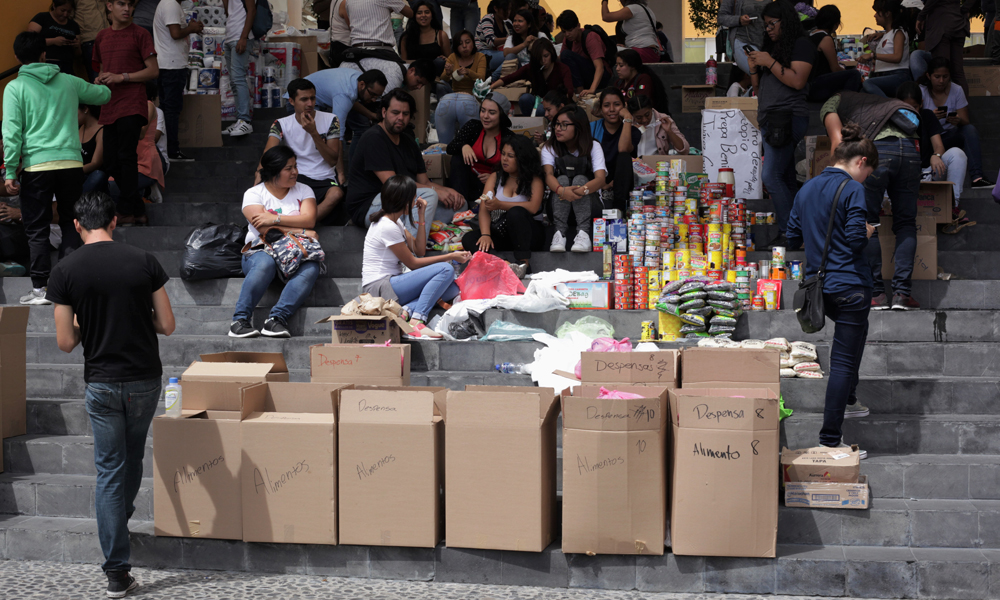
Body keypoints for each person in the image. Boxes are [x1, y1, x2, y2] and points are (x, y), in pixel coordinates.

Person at [48, 190, 175, 598]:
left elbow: (65, 341)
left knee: (108, 469)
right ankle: (118, 523)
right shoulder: (144, 262)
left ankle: (116, 571)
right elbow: (167, 325)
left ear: (76, 225)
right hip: (143, 379)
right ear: (115, 221)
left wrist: (92, 325)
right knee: (133, 458)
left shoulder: (65, 270)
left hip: (102, 382)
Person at [786, 124, 877, 459]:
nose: (866, 178)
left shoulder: (806, 189)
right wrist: (866, 232)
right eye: (868, 172)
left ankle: (851, 399)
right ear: (860, 161)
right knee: (841, 362)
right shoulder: (853, 190)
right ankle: (829, 439)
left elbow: (792, 235)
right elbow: (855, 239)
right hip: (851, 285)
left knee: (853, 345)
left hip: (820, 287)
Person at [4, 31, 111, 306]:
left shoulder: (15, 88)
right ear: (44, 53)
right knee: (69, 223)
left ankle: (40, 289)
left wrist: (9, 171)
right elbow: (104, 94)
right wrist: (101, 80)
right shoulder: (69, 81)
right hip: (71, 164)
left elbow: (12, 133)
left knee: (36, 226)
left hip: (36, 166)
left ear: (18, 58)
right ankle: (67, 285)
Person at [822, 90, 921, 310]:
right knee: (906, 223)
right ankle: (902, 294)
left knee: (868, 220)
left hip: (879, 151)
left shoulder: (832, 102)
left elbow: (837, 144)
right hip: (911, 150)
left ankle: (876, 293)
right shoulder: (877, 101)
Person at [362, 175, 471, 340]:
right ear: (403, 200)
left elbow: (419, 250)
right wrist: (450, 256)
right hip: (380, 287)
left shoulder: (395, 222)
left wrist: (421, 216)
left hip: (393, 284)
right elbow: (413, 263)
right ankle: (417, 320)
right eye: (413, 197)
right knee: (445, 269)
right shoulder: (386, 226)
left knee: (452, 288)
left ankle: (406, 310)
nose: (415, 201)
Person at [347, 90, 465, 237]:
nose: (400, 118)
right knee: (430, 196)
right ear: (384, 112)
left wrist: (448, 191)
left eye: (405, 114)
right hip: (371, 205)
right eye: (395, 112)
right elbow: (393, 184)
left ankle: (409, 231)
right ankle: (412, 249)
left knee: (459, 204)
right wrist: (436, 191)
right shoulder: (373, 138)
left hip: (404, 203)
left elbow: (425, 182)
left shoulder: (408, 141)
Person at [230, 146, 319, 339]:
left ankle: (276, 320)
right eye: (288, 168)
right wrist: (303, 231)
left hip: (295, 251)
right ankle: (239, 321)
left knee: (312, 267)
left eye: (295, 166)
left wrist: (275, 219)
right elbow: (265, 231)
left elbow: (309, 219)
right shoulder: (254, 194)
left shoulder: (304, 190)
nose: (295, 172)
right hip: (260, 250)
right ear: (273, 171)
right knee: (265, 263)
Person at [748, 0, 814, 238]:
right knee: (784, 176)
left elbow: (798, 81)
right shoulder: (773, 49)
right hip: (769, 118)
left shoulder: (802, 44)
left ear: (786, 21)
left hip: (787, 116)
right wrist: (755, 67)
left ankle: (791, 231)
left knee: (770, 175)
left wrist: (770, 62)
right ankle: (797, 229)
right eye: (766, 25)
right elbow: (757, 88)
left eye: (772, 24)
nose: (769, 29)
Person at [93, 0, 160, 226]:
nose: (127, 9)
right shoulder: (101, 37)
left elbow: (153, 70)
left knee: (126, 156)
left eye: (131, 4)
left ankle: (125, 209)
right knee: (110, 162)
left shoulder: (140, 34)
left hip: (132, 102)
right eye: (121, 3)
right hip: (109, 103)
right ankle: (138, 208)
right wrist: (101, 78)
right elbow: (102, 68)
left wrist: (122, 77)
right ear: (109, 6)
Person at [261, 78, 344, 224]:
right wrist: (258, 173)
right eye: (304, 99)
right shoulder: (281, 124)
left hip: (323, 178)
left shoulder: (331, 120)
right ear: (292, 101)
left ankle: (300, 222)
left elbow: (332, 160)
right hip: (295, 177)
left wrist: (314, 133)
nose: (310, 104)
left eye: (312, 98)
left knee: (336, 194)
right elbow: (269, 154)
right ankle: (301, 222)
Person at [462, 135, 545, 274]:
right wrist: (486, 234)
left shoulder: (534, 179)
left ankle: (524, 263)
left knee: (516, 212)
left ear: (522, 158)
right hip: (502, 231)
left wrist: (500, 204)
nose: (504, 159)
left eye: (510, 156)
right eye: (503, 154)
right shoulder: (496, 177)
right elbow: (484, 208)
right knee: (469, 239)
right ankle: (504, 264)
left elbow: (533, 207)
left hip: (529, 234)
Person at [896, 82, 968, 224]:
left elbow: (938, 145)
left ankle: (953, 205)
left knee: (957, 154)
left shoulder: (926, 116)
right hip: (904, 174)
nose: (910, 112)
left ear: (921, 104)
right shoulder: (892, 118)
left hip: (929, 171)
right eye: (906, 108)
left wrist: (936, 156)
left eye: (914, 108)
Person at [920, 57, 994, 188]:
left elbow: (966, 120)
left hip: (948, 135)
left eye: (945, 76)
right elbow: (913, 120)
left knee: (969, 130)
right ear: (928, 76)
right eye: (937, 76)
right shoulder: (921, 91)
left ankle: (977, 177)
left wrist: (958, 120)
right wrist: (930, 118)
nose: (941, 81)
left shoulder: (956, 90)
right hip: (928, 140)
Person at [543, 105, 607, 253]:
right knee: (563, 179)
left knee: (580, 178)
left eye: (564, 125)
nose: (558, 128)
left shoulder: (593, 146)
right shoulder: (550, 147)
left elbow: (600, 179)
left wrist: (581, 190)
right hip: (559, 205)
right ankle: (559, 234)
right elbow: (548, 175)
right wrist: (562, 190)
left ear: (578, 127)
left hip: (590, 206)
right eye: (557, 124)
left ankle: (583, 234)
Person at [153, 0, 203, 162]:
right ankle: (172, 151)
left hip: (167, 64)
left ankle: (166, 150)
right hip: (172, 66)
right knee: (172, 109)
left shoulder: (168, 4)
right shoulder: (171, 4)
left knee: (167, 108)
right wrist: (192, 28)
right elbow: (175, 34)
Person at [446, 93, 514, 206]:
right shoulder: (473, 126)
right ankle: (459, 205)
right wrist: (464, 146)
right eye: (483, 111)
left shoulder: (509, 138)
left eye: (491, 113)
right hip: (467, 183)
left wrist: (495, 178)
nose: (485, 116)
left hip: (495, 188)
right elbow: (450, 147)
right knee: (457, 159)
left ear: (501, 116)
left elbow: (517, 169)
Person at [344, 0, 415, 98]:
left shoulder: (348, 1)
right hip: (382, 50)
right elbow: (410, 13)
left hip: (355, 51)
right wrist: (392, 7)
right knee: (402, 77)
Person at [109, 88, 164, 207]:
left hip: (145, 161)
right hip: (129, 157)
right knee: (111, 183)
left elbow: (141, 133)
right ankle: (142, 195)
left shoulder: (148, 105)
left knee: (116, 186)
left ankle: (145, 193)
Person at [492, 38, 572, 116]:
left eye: (546, 56)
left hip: (555, 104)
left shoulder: (562, 68)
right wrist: (491, 87)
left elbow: (569, 91)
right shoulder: (532, 68)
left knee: (542, 109)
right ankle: (530, 124)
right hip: (538, 102)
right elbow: (510, 78)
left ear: (552, 54)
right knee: (525, 98)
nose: (543, 60)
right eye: (539, 58)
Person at [591, 88, 641, 213]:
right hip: (596, 183)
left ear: (624, 106)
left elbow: (623, 149)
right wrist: (602, 184)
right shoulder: (592, 128)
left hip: (621, 187)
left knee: (624, 157)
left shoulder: (633, 131)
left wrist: (628, 118)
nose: (612, 109)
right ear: (601, 108)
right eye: (606, 105)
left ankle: (618, 209)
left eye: (617, 104)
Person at [435, 31, 489, 145]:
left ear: (473, 44)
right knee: (440, 86)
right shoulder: (452, 57)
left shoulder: (480, 56)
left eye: (467, 42)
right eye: (460, 44)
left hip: (473, 95)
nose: (464, 46)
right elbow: (443, 78)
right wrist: (448, 72)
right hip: (454, 93)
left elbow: (481, 77)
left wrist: (468, 72)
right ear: (456, 46)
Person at [916, 0, 975, 96]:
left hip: (940, 24)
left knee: (941, 72)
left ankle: (944, 108)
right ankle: (962, 109)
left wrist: (921, 16)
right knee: (957, 73)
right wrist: (964, 9)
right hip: (958, 23)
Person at [807, 5, 863, 102]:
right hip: (818, 84)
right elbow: (834, 68)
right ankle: (846, 103)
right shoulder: (825, 38)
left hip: (809, 84)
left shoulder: (810, 35)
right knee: (854, 74)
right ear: (835, 24)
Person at [860, 0, 913, 97]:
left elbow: (897, 57)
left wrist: (873, 55)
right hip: (884, 75)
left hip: (897, 75)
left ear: (887, 14)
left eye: (877, 12)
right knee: (862, 92)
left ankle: (888, 105)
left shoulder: (898, 32)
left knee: (868, 83)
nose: (874, 15)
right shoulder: (887, 34)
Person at [400, 0, 451, 97]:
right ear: (414, 15)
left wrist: (446, 60)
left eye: (427, 12)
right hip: (415, 78)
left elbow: (451, 59)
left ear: (432, 15)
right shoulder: (406, 37)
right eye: (419, 13)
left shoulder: (441, 35)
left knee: (439, 61)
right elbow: (404, 62)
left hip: (436, 79)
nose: (423, 15)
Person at [221, 0, 256, 138]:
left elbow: (252, 11)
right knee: (234, 81)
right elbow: (228, 12)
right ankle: (240, 120)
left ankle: (245, 120)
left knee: (238, 78)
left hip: (239, 37)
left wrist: (244, 37)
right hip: (230, 37)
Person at [555, 11, 611, 95]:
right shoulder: (568, 40)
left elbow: (599, 67)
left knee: (566, 55)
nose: (567, 34)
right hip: (585, 75)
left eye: (570, 30)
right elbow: (560, 60)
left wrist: (592, 89)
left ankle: (579, 89)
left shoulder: (590, 37)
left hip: (602, 77)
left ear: (578, 26)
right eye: (564, 32)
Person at [28, 0, 82, 75]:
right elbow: (29, 41)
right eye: (62, 10)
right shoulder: (42, 18)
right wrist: (53, 41)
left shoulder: (74, 25)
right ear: (54, 6)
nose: (65, 14)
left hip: (67, 66)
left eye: (69, 11)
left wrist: (77, 46)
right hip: (46, 65)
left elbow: (78, 54)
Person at [718, 0, 770, 75]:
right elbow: (721, 18)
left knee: (770, 75)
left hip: (767, 43)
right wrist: (739, 20)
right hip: (744, 41)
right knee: (760, 75)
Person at [492, 8, 543, 80]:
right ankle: (492, 79)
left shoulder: (540, 35)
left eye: (520, 21)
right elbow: (506, 53)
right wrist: (524, 44)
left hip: (536, 69)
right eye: (515, 21)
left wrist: (537, 43)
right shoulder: (511, 38)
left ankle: (490, 80)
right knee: (510, 56)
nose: (516, 24)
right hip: (518, 71)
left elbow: (549, 52)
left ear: (529, 24)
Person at [614, 49, 669, 114]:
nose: (617, 69)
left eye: (621, 65)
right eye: (616, 65)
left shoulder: (643, 79)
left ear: (632, 66)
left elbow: (640, 103)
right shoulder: (619, 83)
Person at [475, 0, 511, 74]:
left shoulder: (505, 23)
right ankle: (494, 77)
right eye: (505, 9)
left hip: (495, 52)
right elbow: (491, 41)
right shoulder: (487, 19)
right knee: (510, 57)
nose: (508, 12)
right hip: (483, 54)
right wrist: (510, 38)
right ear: (496, 8)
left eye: (509, 9)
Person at [80, 104, 109, 194]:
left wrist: (75, 171)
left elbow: (96, 163)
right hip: (77, 173)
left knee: (98, 176)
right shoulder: (80, 127)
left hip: (90, 175)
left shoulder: (101, 131)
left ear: (85, 109)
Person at [78, 0, 109, 82]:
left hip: (107, 37)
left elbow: (109, 10)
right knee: (96, 79)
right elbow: (68, 13)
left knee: (111, 74)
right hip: (89, 39)